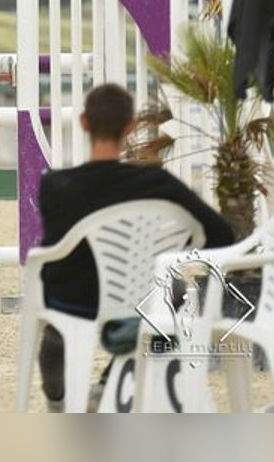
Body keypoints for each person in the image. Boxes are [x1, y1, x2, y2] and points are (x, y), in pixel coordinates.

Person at [36, 83, 234, 412]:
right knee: (166, 299)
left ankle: (57, 402)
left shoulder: (54, 185)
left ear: (84, 122)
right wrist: (177, 256)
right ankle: (107, 384)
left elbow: (53, 249)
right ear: (130, 126)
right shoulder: (156, 183)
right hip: (137, 300)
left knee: (55, 330)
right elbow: (221, 234)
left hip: (70, 303)